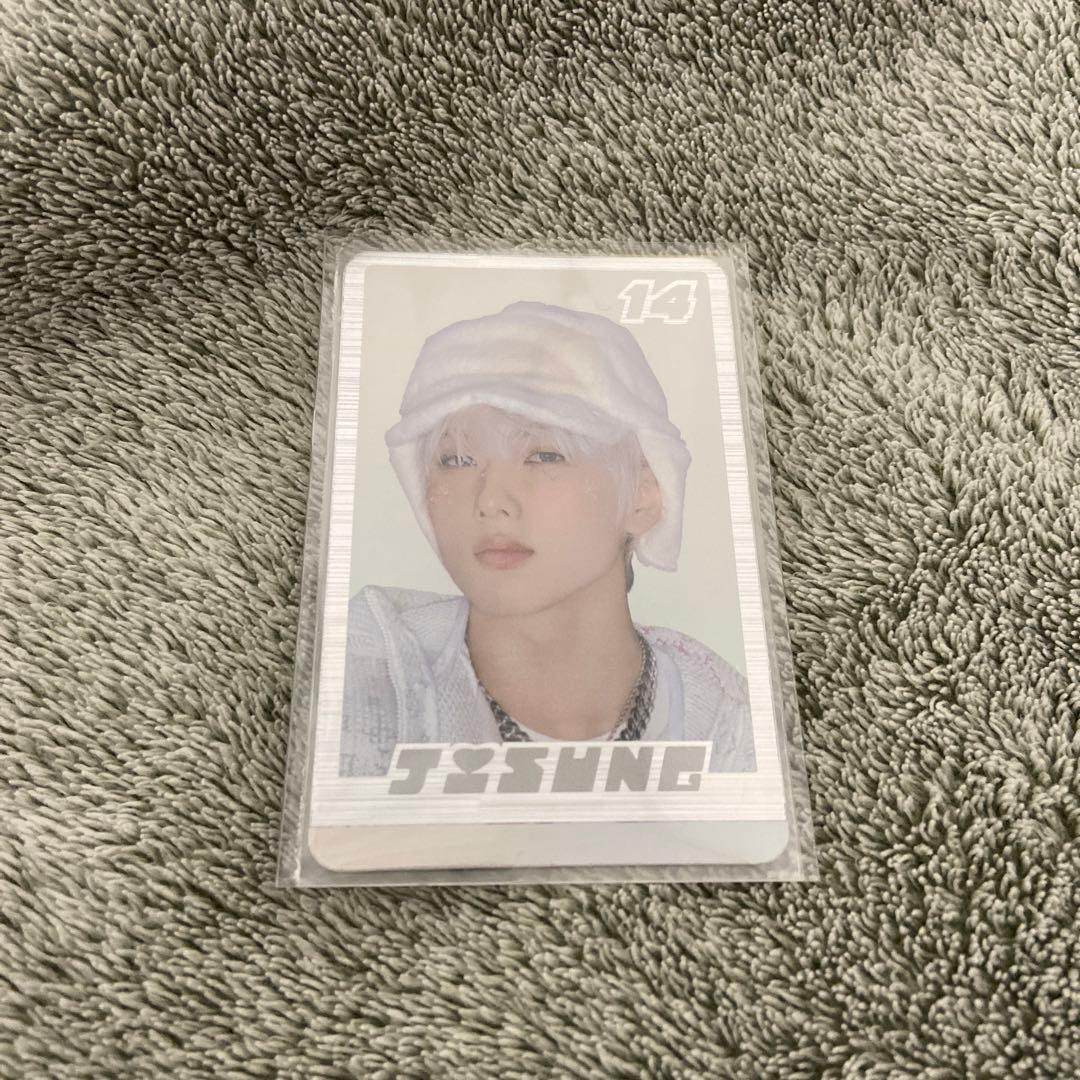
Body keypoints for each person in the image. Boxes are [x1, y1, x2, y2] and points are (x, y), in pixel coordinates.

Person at [339, 301, 755, 776]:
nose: (490, 499)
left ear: (644, 494)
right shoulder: (359, 676)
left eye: (544, 456)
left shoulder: (730, 727)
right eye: (455, 460)